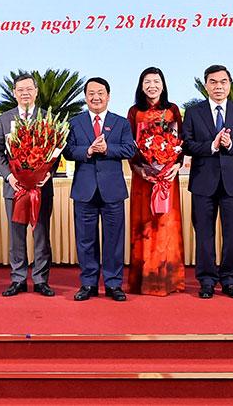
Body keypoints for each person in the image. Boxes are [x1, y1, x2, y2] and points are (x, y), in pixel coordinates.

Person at [181, 65, 233, 299]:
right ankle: (206, 280)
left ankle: (230, 280)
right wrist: (212, 146)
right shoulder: (193, 112)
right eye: (213, 82)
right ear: (206, 85)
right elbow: (187, 144)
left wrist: (231, 144)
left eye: (223, 82)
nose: (218, 86)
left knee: (232, 234)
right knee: (204, 234)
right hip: (203, 182)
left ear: (229, 85)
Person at [64, 77, 136, 301]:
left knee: (114, 240)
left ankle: (114, 284)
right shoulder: (75, 122)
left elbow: (129, 150)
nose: (96, 97)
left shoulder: (121, 122)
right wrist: (88, 150)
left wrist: (106, 149)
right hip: (84, 190)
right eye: (91, 93)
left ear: (108, 96)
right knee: (85, 240)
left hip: (112, 190)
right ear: (85, 97)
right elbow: (68, 151)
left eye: (100, 93)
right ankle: (88, 284)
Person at [0, 73, 58, 297]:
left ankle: (41, 280)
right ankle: (18, 279)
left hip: (40, 187)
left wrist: (47, 173)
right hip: (14, 188)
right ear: (14, 93)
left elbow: (55, 151)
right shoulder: (4, 119)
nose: (25, 93)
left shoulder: (47, 118)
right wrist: (9, 177)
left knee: (41, 235)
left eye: (29, 89)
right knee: (16, 236)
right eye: (20, 90)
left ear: (36, 92)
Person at [126, 67, 185, 297]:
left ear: (163, 84)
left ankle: (168, 280)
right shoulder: (135, 112)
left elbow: (180, 142)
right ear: (141, 86)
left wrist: (176, 166)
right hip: (144, 180)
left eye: (156, 81)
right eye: (147, 82)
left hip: (167, 179)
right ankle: (144, 280)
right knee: (145, 226)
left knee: (166, 226)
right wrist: (140, 169)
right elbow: (130, 145)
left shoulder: (172, 110)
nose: (152, 85)